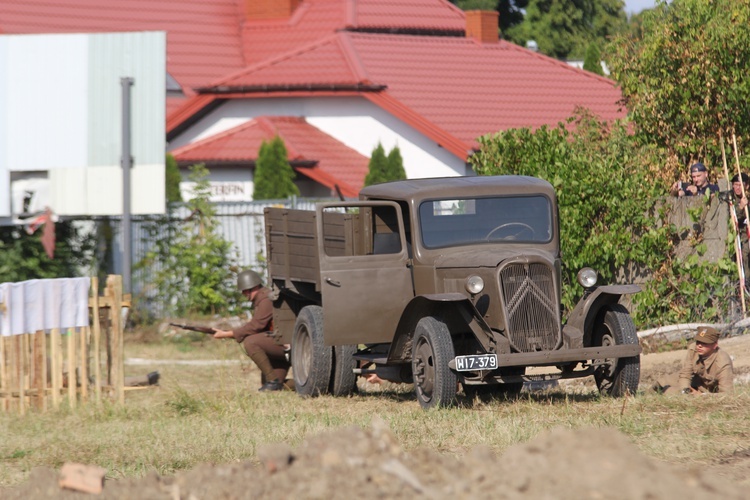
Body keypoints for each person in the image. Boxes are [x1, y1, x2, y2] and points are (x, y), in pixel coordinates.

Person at [212, 270, 290, 392]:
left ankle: (272, 381)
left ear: (252, 287)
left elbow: (256, 326)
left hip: (285, 344)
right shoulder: (261, 299)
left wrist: (227, 334)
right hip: (278, 343)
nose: (243, 294)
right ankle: (318, 386)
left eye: (244, 290)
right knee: (272, 387)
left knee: (251, 342)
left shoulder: (266, 299)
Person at [656, 326, 734, 395]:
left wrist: (702, 395)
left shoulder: (723, 362)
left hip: (708, 392)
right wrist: (685, 390)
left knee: (669, 392)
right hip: (695, 381)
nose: (699, 345)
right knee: (662, 381)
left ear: (715, 345)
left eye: (704, 343)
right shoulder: (693, 349)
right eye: (698, 342)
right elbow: (686, 374)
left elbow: (727, 394)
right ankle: (648, 394)